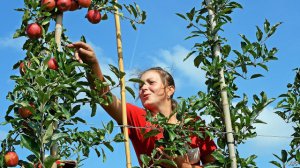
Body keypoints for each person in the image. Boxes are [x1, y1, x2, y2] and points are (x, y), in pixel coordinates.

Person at [67, 41, 217, 168]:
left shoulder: (194, 124)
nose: (144, 88)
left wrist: (181, 165)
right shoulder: (139, 118)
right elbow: (104, 96)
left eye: (151, 82)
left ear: (170, 89)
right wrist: (92, 64)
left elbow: (215, 163)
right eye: (140, 86)